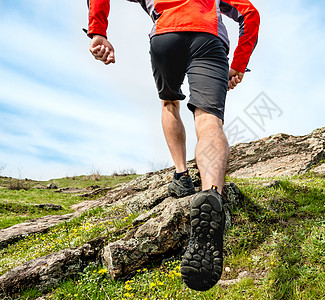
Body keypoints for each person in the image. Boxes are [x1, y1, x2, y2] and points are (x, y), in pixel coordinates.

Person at [87, 0, 259, 291]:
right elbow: (249, 13)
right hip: (209, 37)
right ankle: (211, 194)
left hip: (166, 34)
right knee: (209, 120)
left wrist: (98, 32)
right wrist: (238, 64)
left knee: (170, 103)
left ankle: (181, 176)